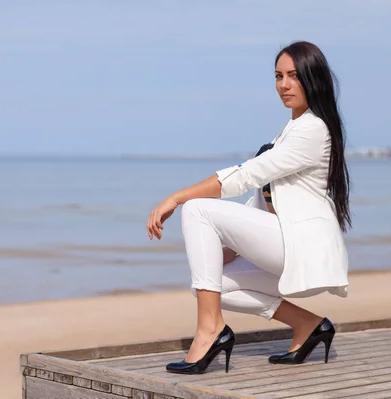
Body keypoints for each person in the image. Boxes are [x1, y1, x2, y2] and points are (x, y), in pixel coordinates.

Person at [146, 40, 351, 375]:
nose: (284, 85)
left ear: (313, 79)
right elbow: (261, 197)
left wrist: (176, 197)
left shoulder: (313, 129)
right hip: (287, 243)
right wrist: (228, 245)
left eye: (294, 76)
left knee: (197, 208)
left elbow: (246, 175)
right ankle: (308, 325)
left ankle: (210, 331)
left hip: (302, 246)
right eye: (278, 76)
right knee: (213, 284)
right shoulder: (292, 128)